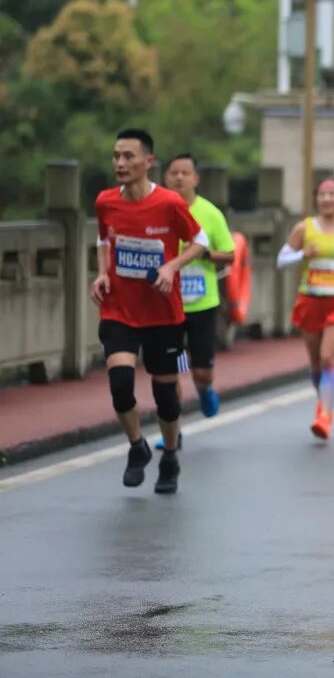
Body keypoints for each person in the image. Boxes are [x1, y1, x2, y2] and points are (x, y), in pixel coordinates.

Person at [92, 129, 209, 494]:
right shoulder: (105, 201)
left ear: (148, 161)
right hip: (119, 309)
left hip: (164, 314)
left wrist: (171, 267)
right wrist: (102, 273)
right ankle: (137, 446)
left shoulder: (170, 203)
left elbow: (200, 241)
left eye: (128, 156)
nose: (120, 163)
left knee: (166, 397)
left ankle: (170, 456)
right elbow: (103, 238)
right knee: (120, 385)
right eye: (116, 156)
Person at [151, 154, 235, 451]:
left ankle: (205, 389)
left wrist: (203, 253)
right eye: (173, 173)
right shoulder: (157, 211)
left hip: (202, 303)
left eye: (185, 173)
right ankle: (173, 431)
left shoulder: (210, 213)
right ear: (164, 178)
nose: (179, 178)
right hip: (167, 305)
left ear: (196, 179)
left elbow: (230, 254)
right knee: (169, 372)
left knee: (201, 371)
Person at [276, 177, 334, 440]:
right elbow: (281, 260)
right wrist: (303, 254)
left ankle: (325, 415)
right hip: (311, 300)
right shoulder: (304, 228)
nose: (327, 199)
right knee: (316, 364)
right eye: (322, 194)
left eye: (332, 194)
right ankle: (323, 400)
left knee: (328, 358)